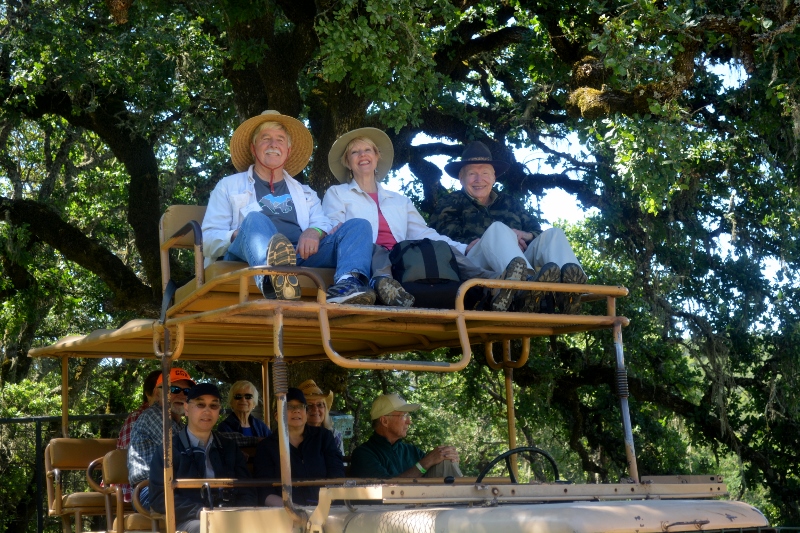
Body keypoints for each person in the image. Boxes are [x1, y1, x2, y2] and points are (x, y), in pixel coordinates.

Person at [323, 128, 526, 310]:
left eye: (367, 150)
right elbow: (336, 229)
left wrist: (463, 248)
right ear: (348, 162)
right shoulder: (337, 193)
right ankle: (384, 285)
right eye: (354, 152)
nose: (362, 155)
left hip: (402, 256)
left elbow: (424, 233)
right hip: (365, 256)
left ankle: (496, 284)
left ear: (377, 157)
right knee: (377, 249)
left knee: (439, 248)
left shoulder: (399, 200)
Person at [201, 110, 376, 305]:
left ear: (288, 150)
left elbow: (323, 223)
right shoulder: (229, 185)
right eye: (265, 138)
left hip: (298, 256)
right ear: (253, 148)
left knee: (359, 226)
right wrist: (238, 235)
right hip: (248, 257)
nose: (273, 144)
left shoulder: (305, 192)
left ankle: (347, 285)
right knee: (255, 219)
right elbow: (207, 239)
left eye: (280, 140)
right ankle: (273, 278)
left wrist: (314, 231)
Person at [429, 141, 588, 314]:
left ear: (494, 177)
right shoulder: (449, 202)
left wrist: (523, 235)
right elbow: (442, 240)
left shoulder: (510, 202)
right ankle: (525, 290)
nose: (479, 179)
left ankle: (570, 291)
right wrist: (503, 238)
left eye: (485, 173)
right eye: (472, 174)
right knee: (498, 229)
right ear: (461, 177)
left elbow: (536, 230)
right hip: (474, 264)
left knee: (554, 234)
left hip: (519, 261)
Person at [149, 383, 256, 533]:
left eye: (213, 406)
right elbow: (159, 497)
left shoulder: (230, 448)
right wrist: (201, 512)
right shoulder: (168, 450)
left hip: (231, 517)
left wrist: (238, 513)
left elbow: (247, 489)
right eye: (200, 405)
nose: (207, 411)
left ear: (219, 411)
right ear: (186, 408)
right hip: (190, 521)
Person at [254, 388, 344, 506]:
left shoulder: (323, 437)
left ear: (306, 413)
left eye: (301, 406)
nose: (296, 411)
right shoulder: (266, 447)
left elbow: (337, 475)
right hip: (285, 513)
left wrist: (324, 506)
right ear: (277, 415)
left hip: (327, 508)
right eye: (289, 407)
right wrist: (295, 510)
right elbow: (265, 492)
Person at [127, 367, 195, 509]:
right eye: (174, 389)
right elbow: (186, 451)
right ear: (158, 394)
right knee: (200, 509)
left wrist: (251, 440)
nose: (182, 395)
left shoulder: (179, 424)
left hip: (176, 486)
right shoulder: (154, 416)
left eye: (187, 392)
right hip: (150, 489)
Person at [350, 393, 462, 479]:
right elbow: (388, 489)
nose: (409, 422)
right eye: (404, 415)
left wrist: (449, 457)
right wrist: (426, 462)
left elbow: (431, 468)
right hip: (388, 509)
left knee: (445, 460)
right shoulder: (363, 454)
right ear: (384, 421)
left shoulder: (412, 451)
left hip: (423, 507)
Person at [116, 369, 162, 502]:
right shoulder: (143, 417)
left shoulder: (171, 420)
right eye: (162, 390)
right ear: (149, 393)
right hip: (133, 489)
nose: (172, 395)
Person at [297, 379, 343, 455]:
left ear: (325, 409)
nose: (315, 409)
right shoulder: (293, 435)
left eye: (319, 404)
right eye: (309, 405)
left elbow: (340, 464)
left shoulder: (334, 435)